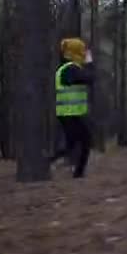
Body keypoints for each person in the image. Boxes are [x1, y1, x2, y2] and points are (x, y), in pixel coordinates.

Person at [51, 38, 94, 178]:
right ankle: (48, 161)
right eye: (81, 50)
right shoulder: (70, 69)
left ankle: (78, 172)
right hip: (69, 113)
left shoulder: (70, 68)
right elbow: (88, 78)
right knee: (74, 143)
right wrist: (89, 63)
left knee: (80, 142)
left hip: (72, 113)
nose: (84, 53)